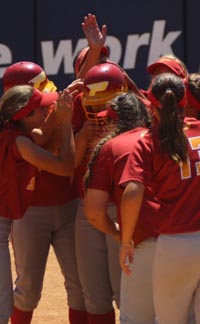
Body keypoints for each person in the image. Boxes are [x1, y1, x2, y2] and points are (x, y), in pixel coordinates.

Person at [2, 62, 87, 324]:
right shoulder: (20, 141)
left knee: (10, 302)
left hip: (33, 215)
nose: (44, 111)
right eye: (38, 109)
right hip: (22, 217)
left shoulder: (15, 131)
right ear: (22, 114)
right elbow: (64, 165)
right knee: (15, 299)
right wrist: (65, 124)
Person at [119, 72, 200, 324]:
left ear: (153, 107)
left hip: (177, 243)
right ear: (185, 103)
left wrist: (125, 241)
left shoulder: (149, 141)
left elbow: (133, 193)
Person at [84, 91, 159, 324]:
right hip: (186, 239)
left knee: (137, 319)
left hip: (143, 243)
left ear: (113, 120)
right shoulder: (168, 138)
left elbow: (94, 213)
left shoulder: (112, 147)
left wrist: (121, 236)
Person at [73, 61, 128, 324]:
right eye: (93, 104)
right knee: (94, 294)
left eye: (105, 104)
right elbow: (68, 165)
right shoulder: (85, 126)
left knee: (126, 294)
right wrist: (84, 137)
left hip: (123, 209)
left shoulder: (137, 126)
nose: (98, 110)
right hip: (88, 210)